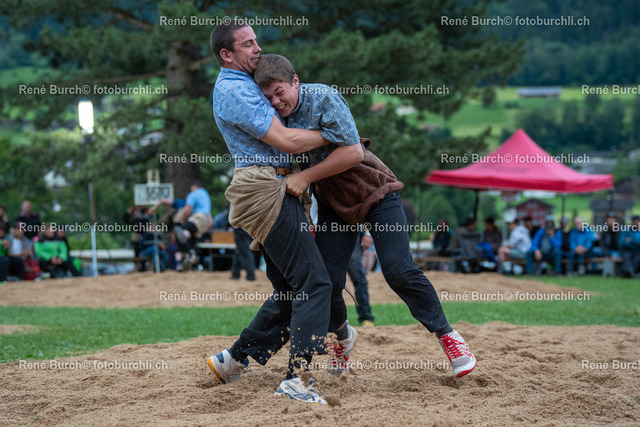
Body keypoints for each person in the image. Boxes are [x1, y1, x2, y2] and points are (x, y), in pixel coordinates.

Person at [255, 53, 475, 377]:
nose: (275, 101)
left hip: (375, 193)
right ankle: (343, 337)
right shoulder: (275, 117)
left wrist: (305, 177)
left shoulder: (324, 98)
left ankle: (448, 336)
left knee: (398, 270)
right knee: (325, 281)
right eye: (268, 97)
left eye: (279, 92)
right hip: (334, 205)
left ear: (295, 82)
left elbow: (354, 152)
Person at [206, 21, 356, 405]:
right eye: (248, 44)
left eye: (256, 40)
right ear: (227, 54)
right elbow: (287, 141)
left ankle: (234, 359)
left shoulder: (245, 83)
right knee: (315, 283)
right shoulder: (234, 89)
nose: (257, 48)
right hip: (266, 187)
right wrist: (337, 134)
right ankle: (297, 381)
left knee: (292, 289)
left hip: (271, 185)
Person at [346, 233, 375, 327]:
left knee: (358, 277)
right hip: (325, 232)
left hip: (350, 231)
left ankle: (366, 318)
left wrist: (368, 234)